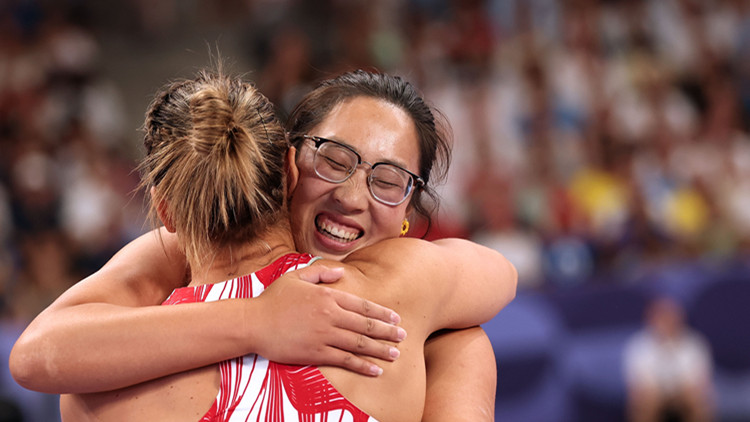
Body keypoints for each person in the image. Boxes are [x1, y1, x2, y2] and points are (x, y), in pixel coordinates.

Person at [10, 69, 514, 419]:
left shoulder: (97, 391)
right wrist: (257, 321)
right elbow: (38, 353)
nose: (351, 196)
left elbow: (39, 358)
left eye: (387, 180)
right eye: (336, 160)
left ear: (167, 211)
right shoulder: (414, 296)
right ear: (291, 164)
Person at [623, 296, 714, 422]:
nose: (666, 321)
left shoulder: (695, 343)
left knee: (698, 401)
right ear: (651, 319)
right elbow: (637, 386)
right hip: (652, 394)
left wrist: (682, 394)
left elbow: (700, 383)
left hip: (685, 393)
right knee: (647, 401)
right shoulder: (637, 345)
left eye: (670, 316)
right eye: (662, 316)